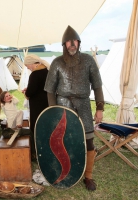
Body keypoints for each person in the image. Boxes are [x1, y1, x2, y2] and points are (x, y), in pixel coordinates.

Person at [44, 25, 104, 191]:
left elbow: (97, 86)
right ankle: (67, 172)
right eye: (68, 41)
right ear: (64, 44)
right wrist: (53, 111)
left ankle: (89, 176)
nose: (72, 44)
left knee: (89, 141)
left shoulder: (88, 61)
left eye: (74, 41)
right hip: (63, 104)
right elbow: (50, 90)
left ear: (79, 42)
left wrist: (100, 108)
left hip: (84, 104)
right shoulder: (57, 62)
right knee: (64, 141)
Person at [22, 54, 49, 158]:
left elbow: (31, 92)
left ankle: (37, 152)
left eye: (27, 65)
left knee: (36, 127)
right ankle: (47, 149)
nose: (27, 67)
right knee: (46, 127)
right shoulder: (47, 71)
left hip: (38, 106)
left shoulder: (35, 74)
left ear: (32, 63)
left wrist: (26, 92)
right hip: (47, 104)